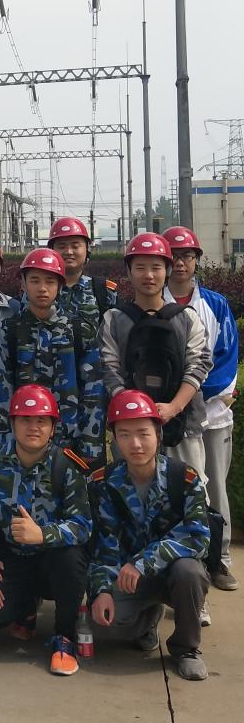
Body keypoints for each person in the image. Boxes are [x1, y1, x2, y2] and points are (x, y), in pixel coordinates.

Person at [0, 385, 93, 677]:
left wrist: (43, 535)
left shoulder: (66, 466)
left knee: (71, 558)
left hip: (52, 561)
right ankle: (26, 609)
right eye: (25, 419)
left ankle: (65, 637)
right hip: (11, 559)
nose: (33, 427)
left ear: (53, 428)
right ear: (12, 423)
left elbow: (84, 526)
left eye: (41, 421)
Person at [88, 390, 211, 681]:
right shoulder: (102, 483)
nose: (135, 444)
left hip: (171, 575)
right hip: (130, 579)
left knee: (190, 571)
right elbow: (104, 544)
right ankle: (147, 620)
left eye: (143, 433)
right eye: (125, 435)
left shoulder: (185, 478)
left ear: (158, 434)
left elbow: (198, 538)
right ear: (115, 440)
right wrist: (101, 590)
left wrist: (143, 562)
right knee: (104, 624)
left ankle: (186, 648)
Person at [97, 233, 212, 478]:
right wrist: (136, 413)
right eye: (140, 267)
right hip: (130, 430)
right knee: (131, 493)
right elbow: (108, 369)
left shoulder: (187, 317)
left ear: (167, 270)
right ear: (129, 271)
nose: (148, 275)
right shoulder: (114, 319)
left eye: (156, 267)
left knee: (189, 490)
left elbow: (199, 365)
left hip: (182, 426)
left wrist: (174, 407)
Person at [163, 226, 239, 592]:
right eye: (173, 256)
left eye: (187, 256)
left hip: (213, 413)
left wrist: (196, 392)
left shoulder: (215, 304)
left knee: (216, 487)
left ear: (196, 260)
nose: (180, 263)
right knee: (184, 488)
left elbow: (226, 357)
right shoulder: (153, 302)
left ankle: (219, 558)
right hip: (175, 417)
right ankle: (187, 558)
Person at [0, 248, 104, 464]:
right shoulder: (9, 330)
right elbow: (0, 391)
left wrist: (90, 446)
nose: (42, 288)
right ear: (23, 284)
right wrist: (4, 445)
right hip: (22, 440)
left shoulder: (79, 330)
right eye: (34, 281)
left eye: (50, 282)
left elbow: (93, 392)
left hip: (69, 441)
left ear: (60, 286)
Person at [47, 217, 117, 336]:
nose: (69, 252)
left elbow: (116, 334)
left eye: (75, 246)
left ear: (87, 250)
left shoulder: (104, 290)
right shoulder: (40, 289)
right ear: (51, 251)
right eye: (62, 247)